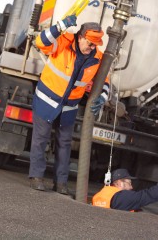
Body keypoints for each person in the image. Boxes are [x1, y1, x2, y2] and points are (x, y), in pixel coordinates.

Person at [29, 15, 109, 194]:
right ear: (80, 37)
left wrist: (103, 96)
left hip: (68, 107)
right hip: (46, 101)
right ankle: (36, 177)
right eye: (90, 42)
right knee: (40, 138)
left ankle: (61, 183)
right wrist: (60, 26)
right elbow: (41, 42)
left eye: (96, 44)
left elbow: (105, 81)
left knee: (64, 143)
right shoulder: (63, 42)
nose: (92, 47)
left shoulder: (98, 58)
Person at [92, 168, 158, 211]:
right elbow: (148, 195)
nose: (131, 187)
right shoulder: (122, 197)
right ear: (118, 183)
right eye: (129, 183)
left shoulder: (100, 195)